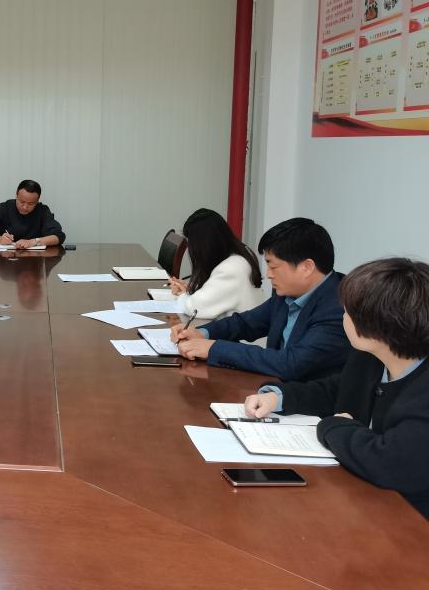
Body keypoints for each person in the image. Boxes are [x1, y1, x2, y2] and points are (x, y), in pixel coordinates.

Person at [243, 258, 429, 518]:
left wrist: (333, 427)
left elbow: (390, 462)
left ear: (376, 327)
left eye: (347, 312)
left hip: (408, 521)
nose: (342, 316)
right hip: (362, 497)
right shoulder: (371, 355)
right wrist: (280, 397)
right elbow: (337, 390)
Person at [173, 217, 348, 380]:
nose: (268, 274)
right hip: (271, 388)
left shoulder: (338, 307)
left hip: (303, 398)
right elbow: (245, 323)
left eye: (273, 266)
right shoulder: (288, 293)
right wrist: (202, 333)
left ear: (306, 267)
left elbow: (292, 363)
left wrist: (214, 348)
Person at [167, 208, 265, 319]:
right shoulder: (240, 254)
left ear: (203, 246)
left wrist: (182, 296)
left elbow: (195, 308)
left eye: (191, 245)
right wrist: (189, 288)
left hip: (241, 330)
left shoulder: (232, 268)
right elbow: (216, 291)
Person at [0, 179, 65, 248]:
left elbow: (58, 236)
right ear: (16, 195)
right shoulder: (5, 208)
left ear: (37, 201)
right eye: (22, 202)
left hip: (34, 261)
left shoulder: (42, 210)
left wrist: (33, 242)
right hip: (7, 261)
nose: (25, 207)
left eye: (31, 204)